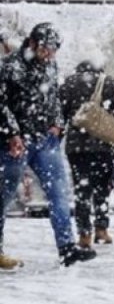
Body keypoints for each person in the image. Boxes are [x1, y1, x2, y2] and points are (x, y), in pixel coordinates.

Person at [0, 23, 96, 269]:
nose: (49, 54)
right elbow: (2, 105)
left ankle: (66, 247)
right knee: (4, 196)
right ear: (32, 43)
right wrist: (12, 133)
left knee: (59, 193)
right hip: (15, 142)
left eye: (53, 50)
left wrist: (58, 124)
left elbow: (54, 97)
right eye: (45, 49)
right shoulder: (11, 67)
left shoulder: (51, 65)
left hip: (44, 140)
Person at [59, 60, 114, 249]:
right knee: (102, 189)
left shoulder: (69, 84)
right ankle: (101, 229)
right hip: (104, 146)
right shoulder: (109, 83)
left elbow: (60, 114)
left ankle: (84, 234)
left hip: (77, 147)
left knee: (82, 191)